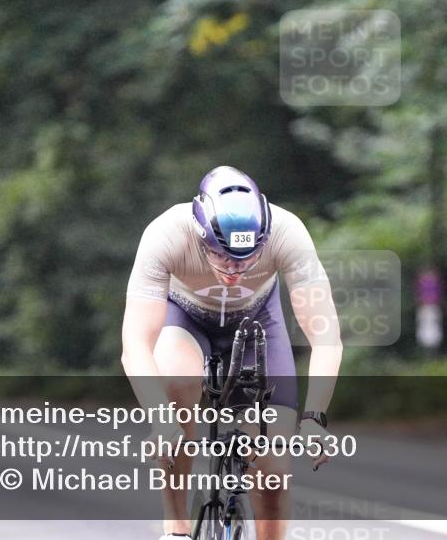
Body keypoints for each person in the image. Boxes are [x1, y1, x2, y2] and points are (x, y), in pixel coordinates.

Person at [121, 166, 343, 540]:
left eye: (247, 257)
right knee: (177, 380)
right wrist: (160, 418)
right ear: (200, 233)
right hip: (186, 319)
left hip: (257, 324)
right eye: (222, 256)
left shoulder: (288, 233)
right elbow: (135, 344)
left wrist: (314, 416)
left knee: (273, 471)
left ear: (265, 236)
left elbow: (326, 338)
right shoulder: (165, 234)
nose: (234, 270)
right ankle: (175, 525)